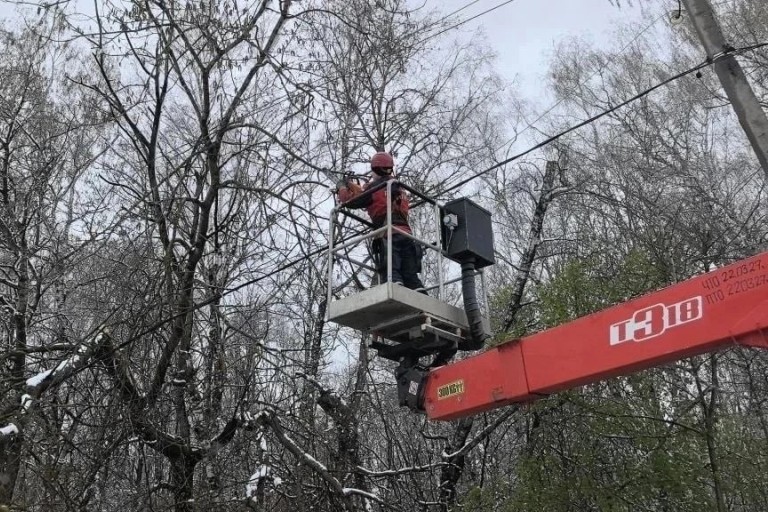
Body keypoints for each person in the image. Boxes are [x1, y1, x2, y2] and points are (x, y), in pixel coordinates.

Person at [336, 151, 424, 291]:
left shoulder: (375, 188)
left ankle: (394, 285)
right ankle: (419, 291)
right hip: (407, 235)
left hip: (388, 235)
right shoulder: (400, 189)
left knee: (390, 271)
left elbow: (351, 201)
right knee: (410, 274)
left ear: (376, 169)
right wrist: (357, 187)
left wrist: (341, 188)